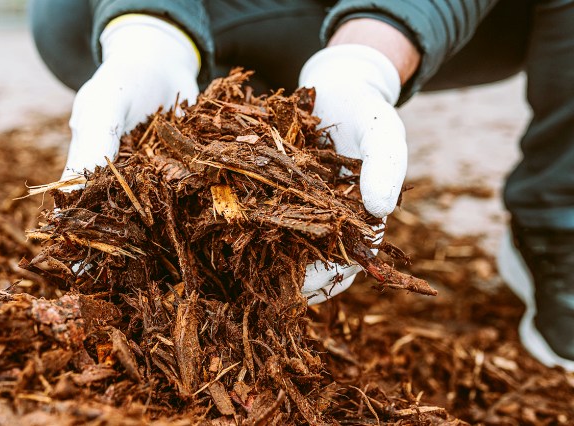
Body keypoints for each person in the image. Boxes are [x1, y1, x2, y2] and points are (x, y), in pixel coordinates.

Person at [29, 0, 574, 371]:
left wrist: (368, 57)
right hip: (220, 12)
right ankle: (191, 55)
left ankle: (556, 220)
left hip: (412, 21)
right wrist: (147, 28)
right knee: (67, 12)